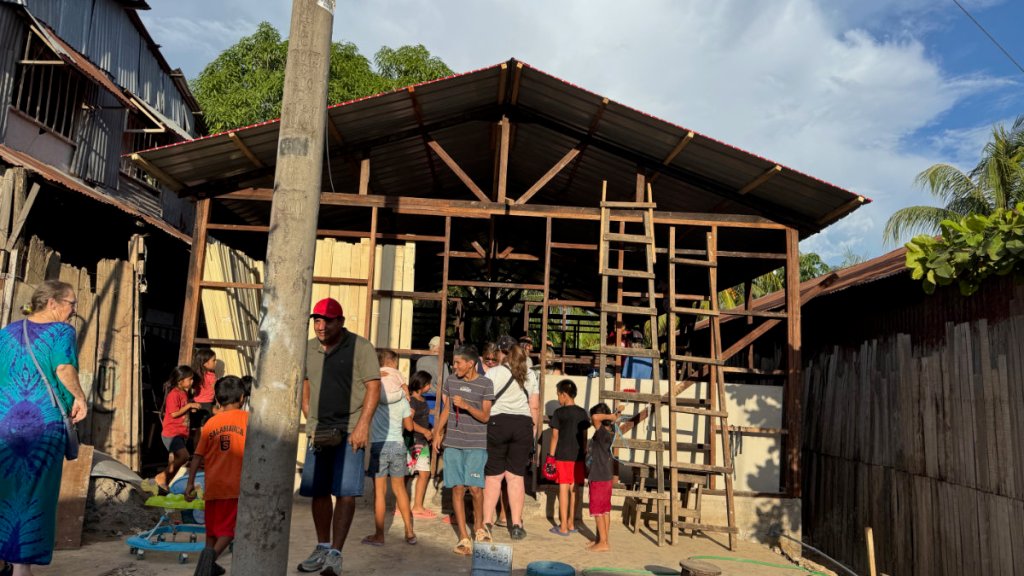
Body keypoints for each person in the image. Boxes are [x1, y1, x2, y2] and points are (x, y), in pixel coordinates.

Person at [0, 280, 87, 576]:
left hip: (5, 424)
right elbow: (63, 368)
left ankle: (5, 561)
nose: (73, 310)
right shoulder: (61, 331)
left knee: (6, 490)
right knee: (34, 493)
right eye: (71, 303)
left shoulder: (6, 332)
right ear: (52, 303)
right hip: (42, 425)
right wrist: (80, 397)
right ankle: (21, 569)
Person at [299, 298, 381, 576]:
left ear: (341, 322)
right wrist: (308, 413)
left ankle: (335, 553)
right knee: (318, 491)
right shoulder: (309, 348)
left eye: (327, 321)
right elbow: (305, 382)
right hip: (319, 430)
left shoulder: (361, 347)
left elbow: (373, 388)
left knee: (346, 492)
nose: (321, 326)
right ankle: (322, 546)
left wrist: (363, 426)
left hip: (350, 430)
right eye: (317, 320)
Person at [184, 375, 250, 575]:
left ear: (218, 400)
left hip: (212, 486)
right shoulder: (248, 420)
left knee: (212, 532)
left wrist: (190, 483)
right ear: (242, 397)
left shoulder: (211, 423)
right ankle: (207, 564)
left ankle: (209, 565)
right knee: (231, 530)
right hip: (235, 486)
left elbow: (197, 456)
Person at [432, 345, 494, 556]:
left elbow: (485, 417)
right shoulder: (451, 381)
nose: (454, 366)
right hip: (453, 443)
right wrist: (438, 432)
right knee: (457, 488)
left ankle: (479, 528)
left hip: (476, 444)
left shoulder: (486, 384)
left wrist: (466, 406)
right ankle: (463, 537)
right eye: (454, 362)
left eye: (458, 363)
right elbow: (447, 410)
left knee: (475, 488)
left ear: (470, 364)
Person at [482, 336, 540, 541]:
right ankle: (516, 524)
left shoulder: (493, 373)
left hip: (497, 424)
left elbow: (485, 402)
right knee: (515, 477)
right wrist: (532, 434)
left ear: (501, 353)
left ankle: (486, 522)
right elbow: (534, 407)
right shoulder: (530, 374)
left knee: (493, 476)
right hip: (522, 425)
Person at [361, 352, 416, 547]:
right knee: (400, 490)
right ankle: (409, 532)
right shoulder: (402, 398)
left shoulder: (373, 395)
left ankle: (379, 535)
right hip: (398, 446)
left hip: (379, 446)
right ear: (393, 364)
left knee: (380, 493)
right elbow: (409, 427)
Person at [547, 379, 589, 536]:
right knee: (574, 489)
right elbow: (584, 437)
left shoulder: (559, 413)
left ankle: (563, 526)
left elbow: (555, 437)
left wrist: (551, 456)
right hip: (578, 456)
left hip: (563, 456)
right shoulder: (582, 413)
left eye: (558, 394)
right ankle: (571, 523)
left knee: (563, 489)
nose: (558, 398)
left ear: (564, 394)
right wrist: (584, 453)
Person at [149, 365, 200, 492]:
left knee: (178, 460)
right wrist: (189, 406)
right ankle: (161, 477)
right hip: (172, 433)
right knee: (184, 456)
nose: (192, 381)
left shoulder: (183, 393)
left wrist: (190, 409)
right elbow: (174, 414)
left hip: (180, 433)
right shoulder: (173, 395)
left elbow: (182, 410)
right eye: (190, 379)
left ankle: (165, 483)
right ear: (180, 381)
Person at [586, 403, 620, 552]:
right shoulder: (610, 430)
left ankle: (603, 542)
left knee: (598, 511)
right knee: (605, 510)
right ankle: (603, 539)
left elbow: (595, 417)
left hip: (599, 477)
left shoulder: (601, 432)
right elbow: (597, 417)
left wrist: (611, 416)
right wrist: (615, 415)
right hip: (606, 476)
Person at [407, 370, 437, 519]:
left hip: (422, 443)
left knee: (424, 473)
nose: (430, 386)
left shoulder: (422, 400)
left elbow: (423, 415)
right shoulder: (412, 401)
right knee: (406, 474)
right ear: (421, 385)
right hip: (414, 442)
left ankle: (417, 506)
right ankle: (401, 505)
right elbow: (408, 422)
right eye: (428, 384)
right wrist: (425, 431)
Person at [191, 348, 217, 433]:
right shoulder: (211, 376)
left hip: (195, 403)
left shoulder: (196, 374)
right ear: (205, 363)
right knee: (204, 430)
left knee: (197, 430)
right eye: (214, 360)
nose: (215, 362)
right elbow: (215, 389)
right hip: (207, 405)